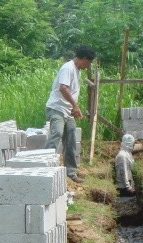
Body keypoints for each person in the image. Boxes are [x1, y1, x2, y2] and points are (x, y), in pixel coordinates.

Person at [45, 45, 97, 184]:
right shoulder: (68, 68)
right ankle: (44, 168)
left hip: (66, 111)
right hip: (57, 108)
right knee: (57, 134)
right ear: (84, 59)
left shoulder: (76, 69)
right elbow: (63, 88)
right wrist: (75, 106)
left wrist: (72, 108)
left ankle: (71, 172)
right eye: (89, 62)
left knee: (71, 139)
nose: (88, 66)